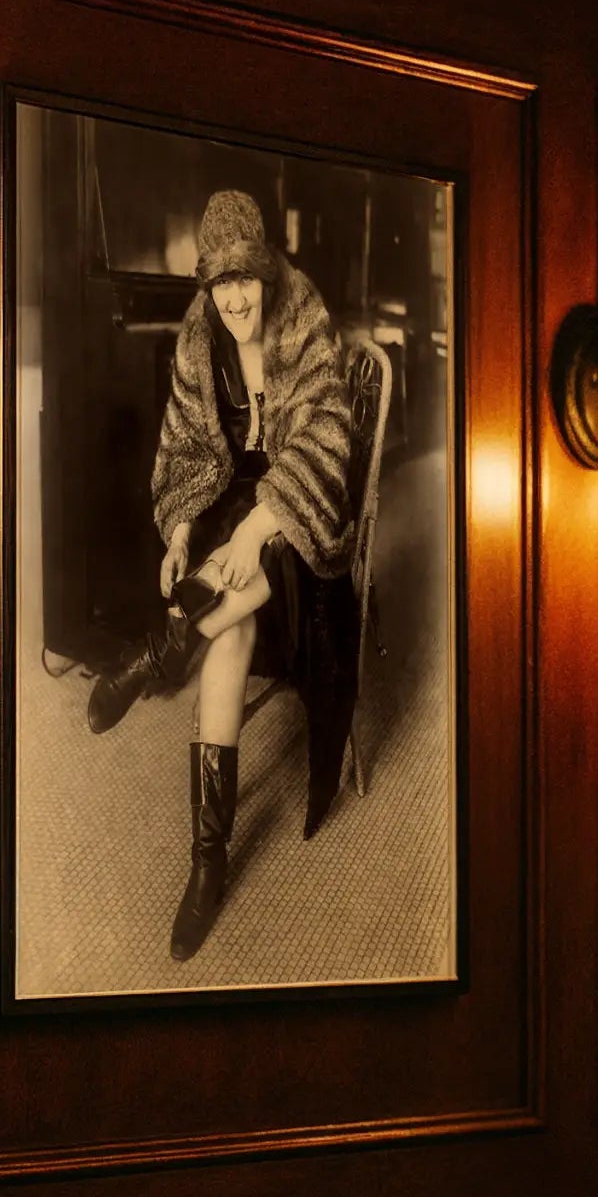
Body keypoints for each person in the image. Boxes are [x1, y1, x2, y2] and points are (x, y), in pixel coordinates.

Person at [84, 189, 361, 961]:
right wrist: (180, 531)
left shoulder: (304, 318)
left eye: (245, 280)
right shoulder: (199, 334)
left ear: (266, 272)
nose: (235, 300)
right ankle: (208, 862)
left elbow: (327, 444)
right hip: (236, 502)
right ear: (207, 283)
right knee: (230, 629)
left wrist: (257, 526)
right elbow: (184, 446)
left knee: (253, 562)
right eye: (221, 284)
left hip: (303, 517)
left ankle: (152, 657)